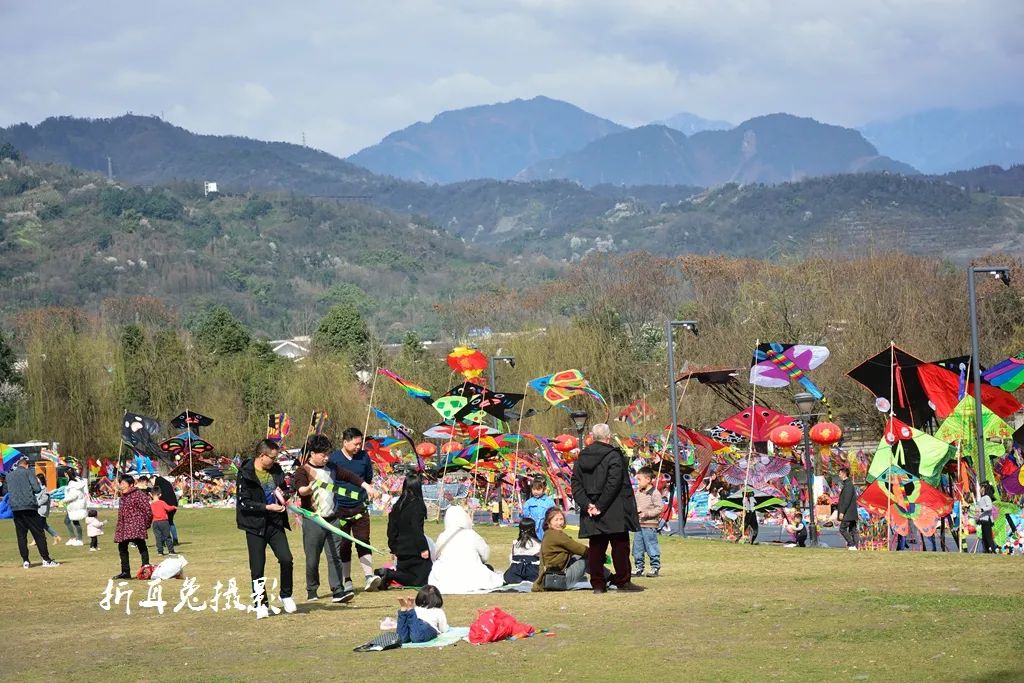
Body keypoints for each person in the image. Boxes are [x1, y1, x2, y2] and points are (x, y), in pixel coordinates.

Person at [292, 434, 378, 602]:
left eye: (328, 454)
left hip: (333, 519)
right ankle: (312, 590)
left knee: (335, 555)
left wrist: (367, 487)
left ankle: (338, 590)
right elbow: (300, 489)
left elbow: (350, 476)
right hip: (313, 520)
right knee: (312, 558)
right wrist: (308, 489)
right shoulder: (303, 470)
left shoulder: (331, 467)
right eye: (323, 455)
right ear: (312, 453)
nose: (326, 458)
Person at [571, 423, 643, 594]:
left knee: (596, 547)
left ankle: (598, 584)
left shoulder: (581, 457)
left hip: (592, 509)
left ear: (592, 437)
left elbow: (575, 484)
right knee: (620, 546)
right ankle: (623, 582)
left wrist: (587, 504)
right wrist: (599, 506)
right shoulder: (614, 455)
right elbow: (614, 483)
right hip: (614, 508)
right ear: (608, 437)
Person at [237, 439, 296, 618]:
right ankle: (260, 603)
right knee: (257, 567)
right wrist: (266, 507)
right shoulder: (245, 473)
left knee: (286, 559)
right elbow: (243, 502)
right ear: (262, 456)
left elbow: (284, 490)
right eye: (272, 457)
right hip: (255, 526)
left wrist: (287, 497)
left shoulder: (276, 470)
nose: (274, 461)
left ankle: (286, 595)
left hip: (275, 523)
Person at [329, 427, 377, 592]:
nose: (358, 447)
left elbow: (368, 478)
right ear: (345, 442)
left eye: (360, 444)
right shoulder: (334, 459)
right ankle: (347, 579)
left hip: (360, 507)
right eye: (355, 444)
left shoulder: (364, 457)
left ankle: (369, 576)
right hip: (340, 509)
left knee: (363, 540)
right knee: (344, 544)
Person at [428, 505, 503, 594]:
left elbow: (435, 555)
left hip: (446, 577)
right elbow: (485, 555)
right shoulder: (472, 534)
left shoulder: (443, 536)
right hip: (472, 575)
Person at [377, 472, 432, 590]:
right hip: (414, 549)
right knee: (422, 579)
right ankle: (389, 574)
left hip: (400, 548)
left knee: (406, 574)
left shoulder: (398, 505)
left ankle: (388, 575)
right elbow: (417, 529)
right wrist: (423, 548)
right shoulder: (418, 505)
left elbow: (391, 528)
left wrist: (393, 547)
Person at [7, 456, 59, 568]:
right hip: (29, 507)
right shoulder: (28, 472)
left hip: (16, 509)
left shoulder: (9, 475)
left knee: (21, 536)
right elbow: (37, 489)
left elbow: (7, 490)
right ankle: (46, 559)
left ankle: (25, 561)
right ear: (26, 465)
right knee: (39, 534)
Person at [533, 507, 592, 591]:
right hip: (556, 580)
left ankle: (605, 577)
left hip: (549, 577)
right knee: (590, 558)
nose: (560, 523)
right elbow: (580, 549)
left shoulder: (548, 533)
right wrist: (600, 555)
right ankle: (608, 578)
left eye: (561, 519)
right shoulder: (556, 535)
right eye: (556, 520)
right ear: (548, 522)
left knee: (579, 556)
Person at [113, 475, 152, 579]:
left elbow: (147, 510)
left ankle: (146, 569)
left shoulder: (139, 494)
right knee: (122, 547)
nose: (121, 485)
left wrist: (145, 524)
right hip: (124, 526)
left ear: (131, 485)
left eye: (123, 483)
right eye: (121, 483)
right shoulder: (123, 496)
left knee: (141, 545)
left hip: (136, 525)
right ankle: (125, 571)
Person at [632, 466, 664, 577]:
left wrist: (647, 513)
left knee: (651, 546)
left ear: (648, 479)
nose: (638, 482)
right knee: (637, 547)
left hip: (650, 525)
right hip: (639, 525)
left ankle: (655, 567)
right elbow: (634, 504)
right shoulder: (638, 492)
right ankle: (639, 567)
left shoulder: (655, 493)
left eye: (639, 479)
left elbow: (659, 508)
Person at [504, 517, 541, 584]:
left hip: (515, 571)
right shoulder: (538, 544)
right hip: (533, 571)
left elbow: (512, 558)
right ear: (533, 529)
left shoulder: (515, 543)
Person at [34, 473, 62, 544]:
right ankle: (56, 536)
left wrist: (36, 503)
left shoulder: (44, 488)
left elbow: (45, 499)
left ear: (40, 479)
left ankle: (39, 539)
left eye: (37, 479)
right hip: (39, 509)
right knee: (43, 525)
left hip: (42, 510)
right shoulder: (38, 488)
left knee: (38, 525)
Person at [63, 469, 88, 546]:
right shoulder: (75, 482)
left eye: (65, 474)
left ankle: (79, 539)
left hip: (75, 506)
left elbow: (73, 495)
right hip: (73, 506)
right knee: (67, 521)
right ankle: (73, 538)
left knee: (75, 522)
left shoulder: (73, 484)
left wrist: (64, 500)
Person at [154, 474, 180, 545]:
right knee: (171, 522)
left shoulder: (158, 484)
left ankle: (163, 541)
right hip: (173, 505)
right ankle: (175, 539)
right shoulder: (167, 484)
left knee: (163, 524)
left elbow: (157, 494)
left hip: (165, 506)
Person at [150, 489, 177, 555]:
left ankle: (160, 551)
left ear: (151, 495)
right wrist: (174, 507)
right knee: (167, 536)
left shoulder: (151, 504)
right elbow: (168, 508)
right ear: (160, 495)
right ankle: (171, 551)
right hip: (163, 521)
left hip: (155, 522)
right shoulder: (162, 502)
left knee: (158, 537)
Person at [837, 468, 859, 550]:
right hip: (851, 512)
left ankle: (852, 544)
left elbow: (847, 500)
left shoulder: (848, 485)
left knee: (842, 529)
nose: (839, 475)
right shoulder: (847, 484)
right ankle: (855, 546)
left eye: (840, 474)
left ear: (844, 474)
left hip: (848, 513)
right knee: (853, 530)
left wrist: (842, 512)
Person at [977, 482, 997, 554]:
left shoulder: (987, 497)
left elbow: (989, 507)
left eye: (981, 487)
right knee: (984, 537)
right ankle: (986, 551)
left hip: (987, 519)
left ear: (984, 488)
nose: (979, 489)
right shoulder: (983, 497)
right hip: (983, 519)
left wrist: (981, 509)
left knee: (988, 536)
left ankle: (993, 551)